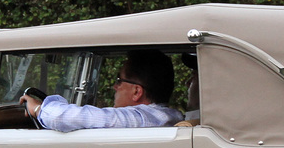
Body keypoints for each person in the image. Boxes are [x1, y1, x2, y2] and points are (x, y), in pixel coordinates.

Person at [21, 49, 183, 131]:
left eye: (119, 81)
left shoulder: (139, 119)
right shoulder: (169, 116)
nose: (115, 86)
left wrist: (38, 108)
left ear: (136, 92)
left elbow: (63, 117)